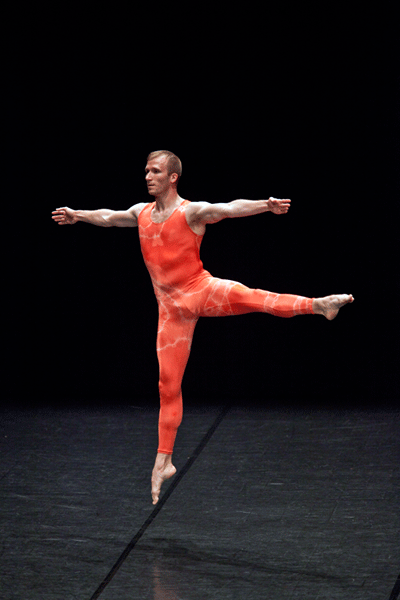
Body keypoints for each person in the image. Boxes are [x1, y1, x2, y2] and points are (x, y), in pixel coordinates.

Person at [52, 150, 354, 504]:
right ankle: (163, 460)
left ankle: (319, 305)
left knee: (257, 298)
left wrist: (265, 205)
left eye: (155, 171)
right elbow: (109, 217)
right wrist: (78, 215)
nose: (148, 176)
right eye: (146, 170)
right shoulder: (141, 213)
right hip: (171, 312)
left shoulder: (190, 212)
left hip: (201, 292)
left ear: (173, 177)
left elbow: (228, 208)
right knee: (167, 386)